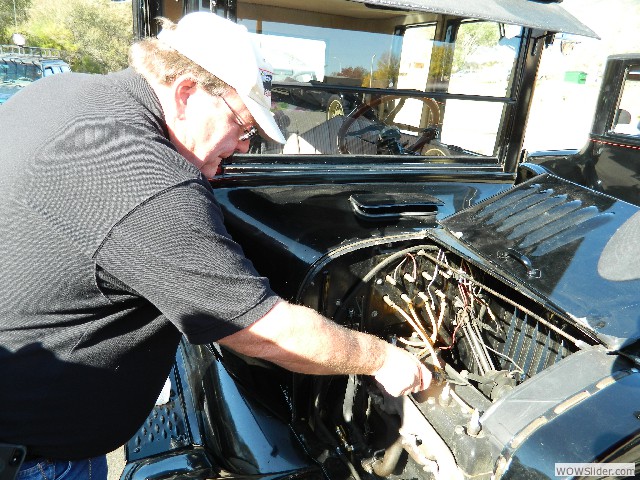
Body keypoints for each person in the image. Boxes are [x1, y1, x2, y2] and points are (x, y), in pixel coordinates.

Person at [0, 12, 431, 480]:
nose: (245, 147)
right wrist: (382, 358)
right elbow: (261, 329)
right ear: (186, 93)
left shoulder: (62, 93)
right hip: (36, 458)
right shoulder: (148, 182)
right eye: (244, 127)